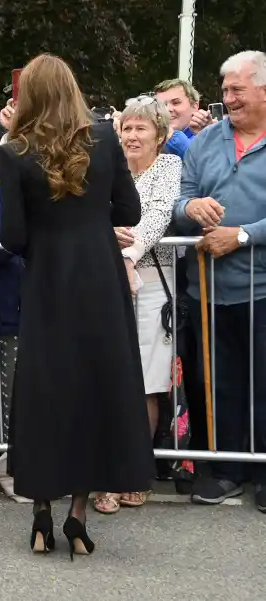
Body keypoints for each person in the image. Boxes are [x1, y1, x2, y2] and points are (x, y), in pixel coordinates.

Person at [0, 54, 151, 558]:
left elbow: (12, 236)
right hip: (100, 278)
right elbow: (129, 210)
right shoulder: (104, 138)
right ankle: (77, 517)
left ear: (29, 95)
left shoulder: (14, 150)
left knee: (46, 387)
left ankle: (41, 510)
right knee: (95, 384)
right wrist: (92, 216)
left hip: (47, 279)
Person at [172, 50, 266, 511]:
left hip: (264, 287)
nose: (227, 98)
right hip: (208, 289)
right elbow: (182, 198)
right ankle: (227, 469)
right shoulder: (205, 141)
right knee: (218, 381)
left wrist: (245, 235)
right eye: (225, 89)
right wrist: (189, 209)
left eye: (237, 90)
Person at [94, 97, 183, 514]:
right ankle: (107, 474)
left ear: (160, 135)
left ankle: (135, 472)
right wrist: (111, 249)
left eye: (140, 128)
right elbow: (96, 217)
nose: (131, 136)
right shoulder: (108, 169)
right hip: (105, 279)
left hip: (151, 281)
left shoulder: (169, 169)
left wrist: (128, 258)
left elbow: (157, 216)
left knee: (146, 383)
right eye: (126, 128)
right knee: (110, 377)